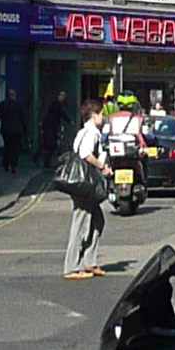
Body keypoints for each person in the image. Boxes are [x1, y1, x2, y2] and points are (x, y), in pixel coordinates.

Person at [59, 100, 109, 277]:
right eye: (101, 114)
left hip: (82, 183)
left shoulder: (82, 132)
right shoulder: (92, 133)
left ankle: (90, 261)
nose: (103, 117)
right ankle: (71, 267)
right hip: (85, 185)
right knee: (80, 224)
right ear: (93, 115)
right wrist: (102, 166)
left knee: (97, 221)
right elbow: (85, 154)